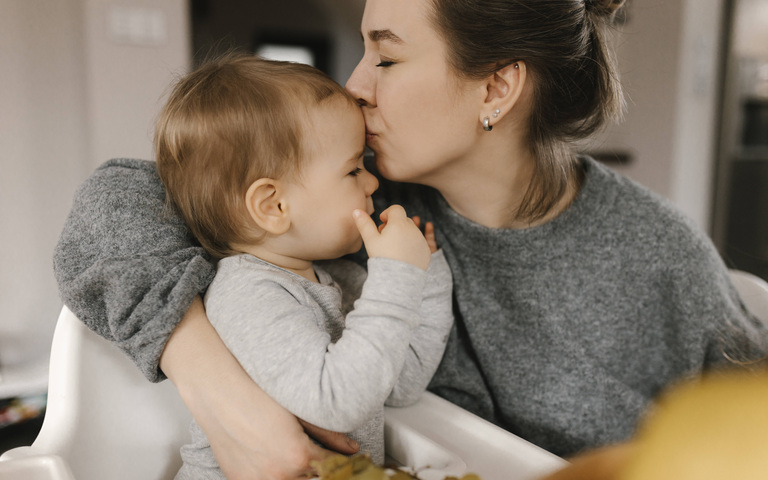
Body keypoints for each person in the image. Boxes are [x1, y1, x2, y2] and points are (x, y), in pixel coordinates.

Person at [53, 0, 768, 477]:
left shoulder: (657, 259)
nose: (355, 84)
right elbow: (111, 206)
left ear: (496, 89)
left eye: (387, 59)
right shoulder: (348, 198)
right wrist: (226, 398)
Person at [153, 53, 453, 477]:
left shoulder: (341, 280)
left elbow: (400, 385)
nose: (372, 182)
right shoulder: (246, 295)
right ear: (273, 205)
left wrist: (426, 275)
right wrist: (396, 275)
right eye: (352, 170)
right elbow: (337, 403)